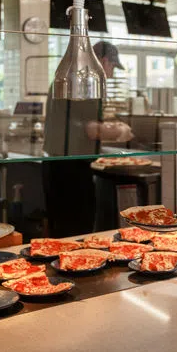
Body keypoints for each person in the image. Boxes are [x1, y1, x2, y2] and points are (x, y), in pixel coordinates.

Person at [42, 40, 132, 237]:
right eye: (112, 66)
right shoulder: (87, 83)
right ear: (103, 60)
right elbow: (91, 129)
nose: (112, 72)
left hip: (53, 165)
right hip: (73, 170)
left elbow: (75, 123)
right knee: (78, 232)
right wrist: (119, 131)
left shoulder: (64, 77)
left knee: (60, 231)